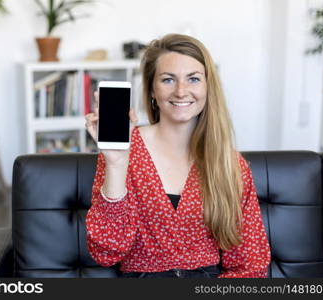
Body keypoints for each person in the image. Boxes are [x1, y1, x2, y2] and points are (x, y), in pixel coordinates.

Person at [84, 33, 271, 278]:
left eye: (193, 79)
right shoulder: (123, 151)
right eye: (168, 79)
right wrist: (116, 163)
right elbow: (107, 252)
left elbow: (251, 265)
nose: (182, 91)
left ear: (207, 87)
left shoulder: (231, 164)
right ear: (152, 89)